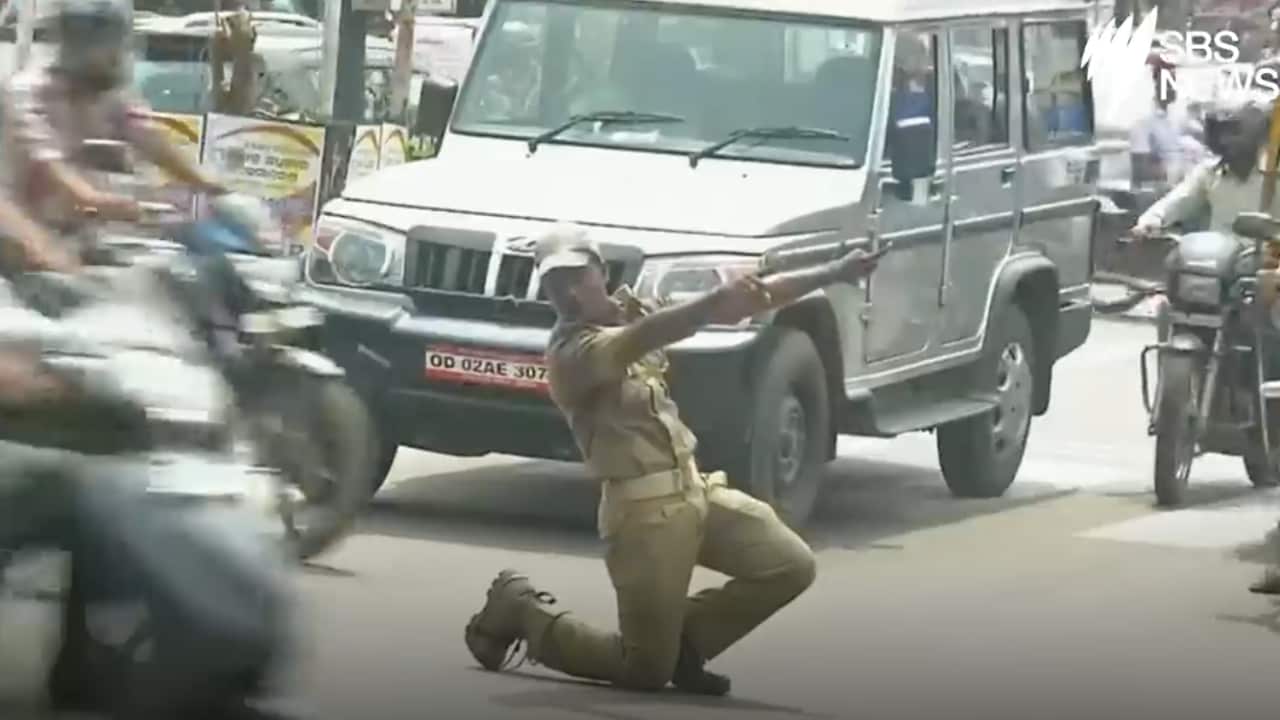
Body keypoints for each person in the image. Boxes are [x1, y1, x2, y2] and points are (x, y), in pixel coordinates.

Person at [463, 224, 882, 695]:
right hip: (642, 518)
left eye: (577, 278)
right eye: (555, 285)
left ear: (601, 272)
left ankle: (685, 645)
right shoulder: (572, 352)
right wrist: (709, 303)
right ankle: (522, 609)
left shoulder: (628, 313)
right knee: (641, 669)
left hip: (693, 491)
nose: (568, 294)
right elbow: (650, 334)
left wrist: (837, 271)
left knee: (790, 566)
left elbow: (750, 300)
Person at [0, 0, 225, 253]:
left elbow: (152, 140)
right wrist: (102, 202)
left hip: (78, 239)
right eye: (104, 42)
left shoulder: (109, 96)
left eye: (118, 41)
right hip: (21, 239)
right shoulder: (30, 94)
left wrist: (212, 186)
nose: (115, 53)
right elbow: (54, 171)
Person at [1130, 101, 1276, 239]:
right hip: (1218, 258)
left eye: (1234, 133)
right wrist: (1152, 220)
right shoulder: (1209, 173)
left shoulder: (1274, 175)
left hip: (1267, 259)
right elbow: (1178, 200)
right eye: (1221, 133)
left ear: (1258, 135)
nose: (1225, 140)